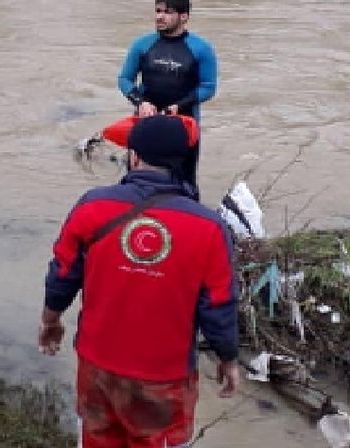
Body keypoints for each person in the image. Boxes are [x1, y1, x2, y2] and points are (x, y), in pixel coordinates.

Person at [40, 115, 240, 448]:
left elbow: (63, 271)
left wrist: (51, 320)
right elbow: (218, 305)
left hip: (97, 364)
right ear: (183, 162)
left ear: (133, 157)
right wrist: (228, 358)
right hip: (163, 376)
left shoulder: (93, 206)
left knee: (96, 439)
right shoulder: (209, 228)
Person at [118, 0, 217, 189]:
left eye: (167, 12)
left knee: (185, 184)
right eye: (158, 11)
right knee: (135, 181)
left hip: (184, 124)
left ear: (184, 17)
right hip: (146, 120)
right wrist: (140, 103)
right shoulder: (142, 44)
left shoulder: (201, 48)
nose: (159, 17)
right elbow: (125, 79)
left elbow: (208, 87)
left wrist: (178, 106)